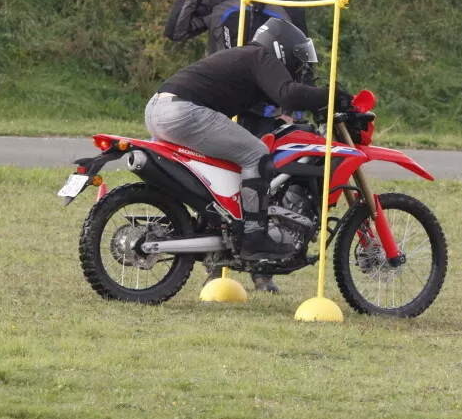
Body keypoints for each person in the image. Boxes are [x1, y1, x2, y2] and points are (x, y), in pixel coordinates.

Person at [145, 19, 349, 283]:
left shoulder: (243, 58)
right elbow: (288, 94)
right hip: (182, 111)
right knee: (256, 154)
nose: (298, 66)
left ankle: (217, 224)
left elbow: (262, 102)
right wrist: (332, 94)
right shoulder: (260, 56)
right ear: (280, 47)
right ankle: (254, 235)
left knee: (226, 167)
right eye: (295, 59)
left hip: (158, 109)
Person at [164, 0, 309, 134]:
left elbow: (304, 62)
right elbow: (176, 32)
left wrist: (292, 112)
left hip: (267, 110)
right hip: (219, 101)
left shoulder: (291, 8)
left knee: (261, 162)